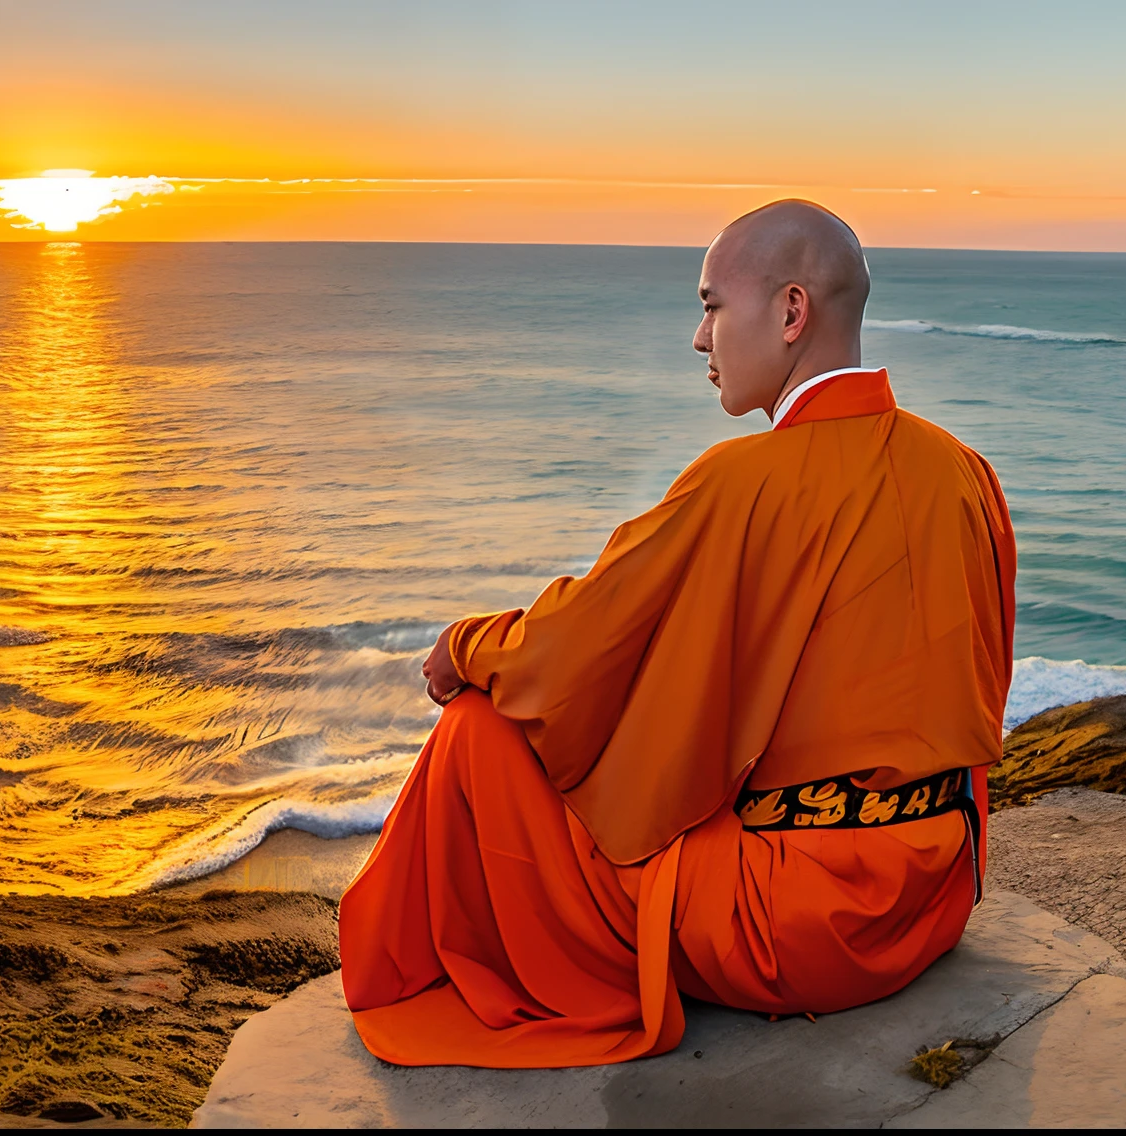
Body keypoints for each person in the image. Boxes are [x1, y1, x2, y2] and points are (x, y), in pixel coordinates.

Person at [337, 200, 1018, 1067]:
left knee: (481, 728)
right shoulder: (964, 471)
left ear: (791, 312)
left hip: (789, 931)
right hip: (932, 897)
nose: (700, 340)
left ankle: (412, 968)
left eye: (710, 307)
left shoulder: (743, 480)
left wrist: (466, 645)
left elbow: (573, 653)